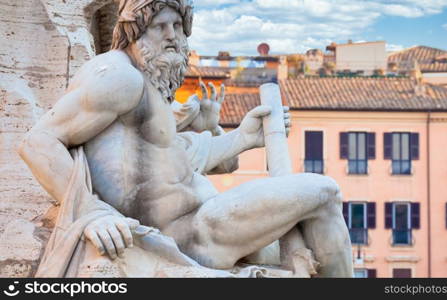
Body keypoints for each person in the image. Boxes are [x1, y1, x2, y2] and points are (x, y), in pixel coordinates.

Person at [18, 0, 353, 277]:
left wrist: (242, 137)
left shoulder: (150, 87)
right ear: (134, 31)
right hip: (195, 234)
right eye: (159, 26)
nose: (172, 36)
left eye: (178, 27)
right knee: (324, 193)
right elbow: (38, 142)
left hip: (208, 222)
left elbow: (173, 161)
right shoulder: (118, 76)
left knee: (297, 236)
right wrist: (93, 213)